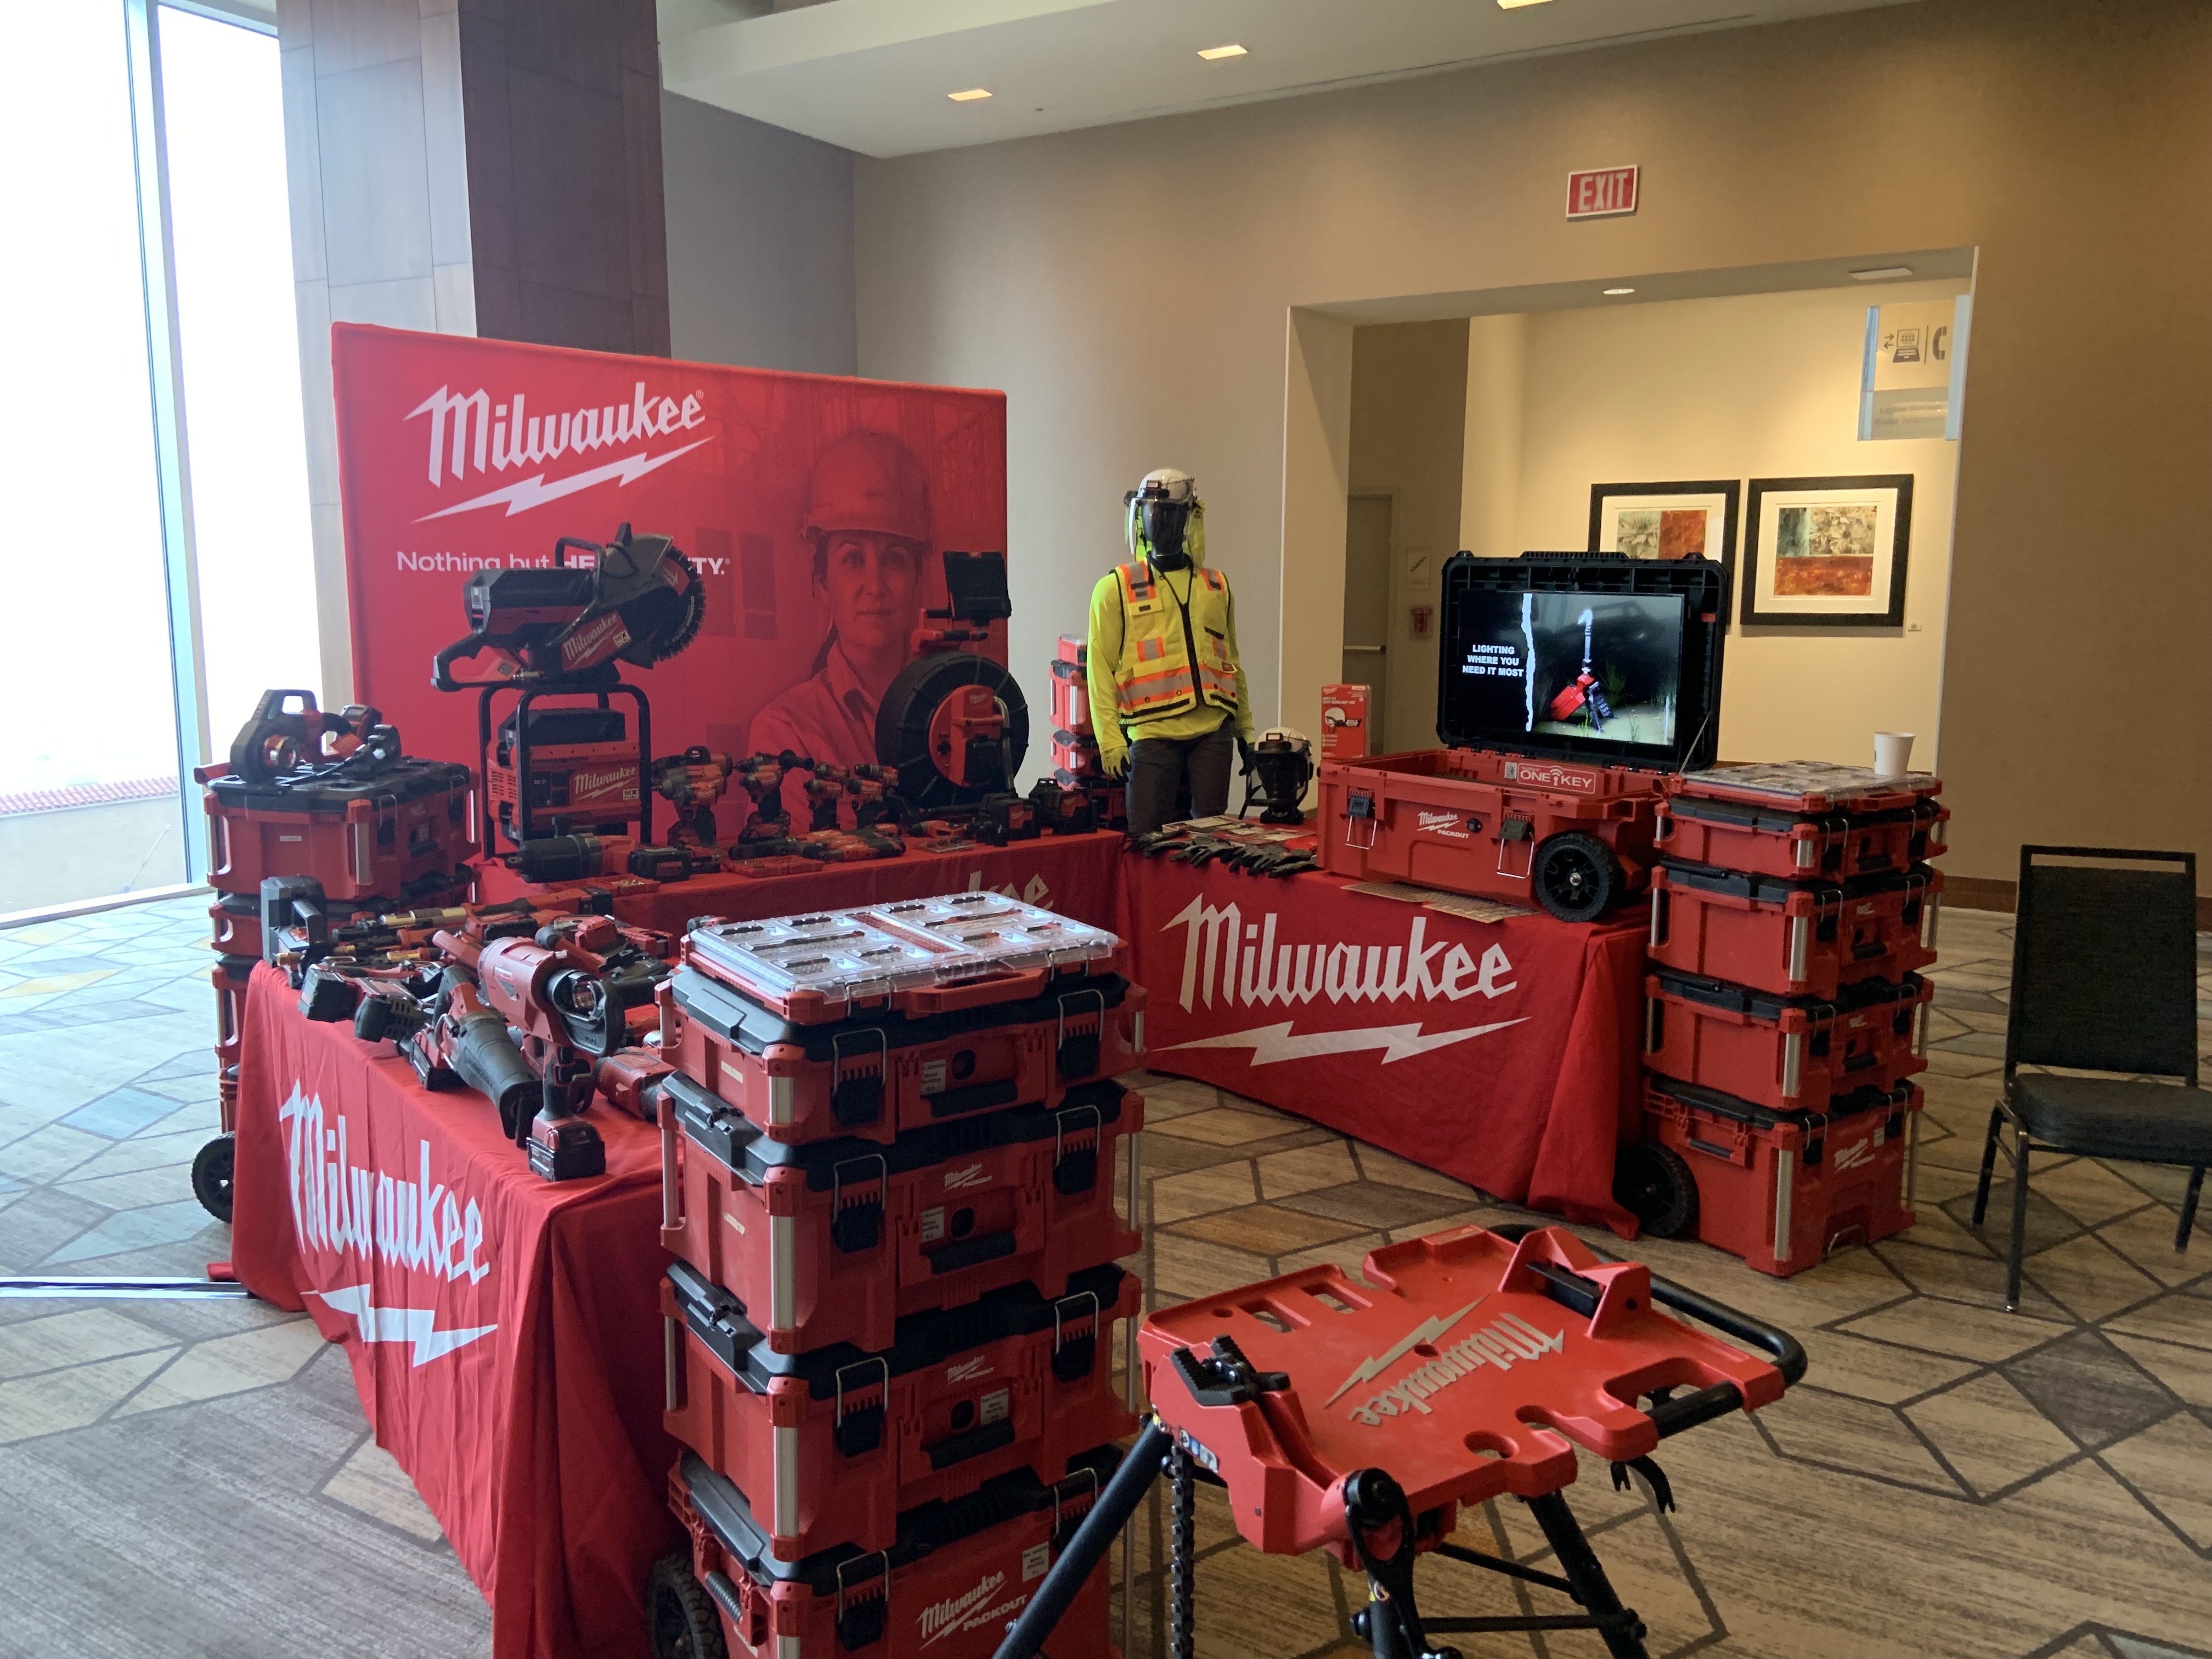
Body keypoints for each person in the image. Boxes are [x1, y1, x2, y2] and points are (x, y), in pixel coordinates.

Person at [1085, 467, 1254, 835]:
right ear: (1140, 517)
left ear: (1189, 518)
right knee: (1145, 837)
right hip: (1151, 733)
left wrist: (1246, 731)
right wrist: (1111, 741)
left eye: (1171, 513)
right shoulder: (1115, 588)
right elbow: (1098, 669)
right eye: (1153, 512)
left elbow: (1232, 662)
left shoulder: (1217, 586)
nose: (1161, 522)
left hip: (1213, 730)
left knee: (1211, 841)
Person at [748, 430, 928, 765]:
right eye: (853, 559)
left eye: (894, 559)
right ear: (823, 583)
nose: (875, 586)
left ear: (917, 580)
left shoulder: (956, 707)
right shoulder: (787, 731)